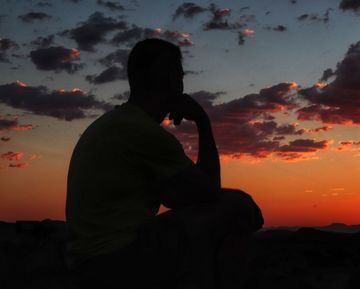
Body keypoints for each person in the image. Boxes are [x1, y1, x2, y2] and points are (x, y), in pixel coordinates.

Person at [65, 38, 264, 289]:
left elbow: (177, 196)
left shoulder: (114, 124)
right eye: (180, 74)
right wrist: (202, 121)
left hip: (86, 265)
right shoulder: (142, 131)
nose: (182, 83)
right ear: (172, 79)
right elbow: (210, 190)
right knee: (238, 204)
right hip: (115, 262)